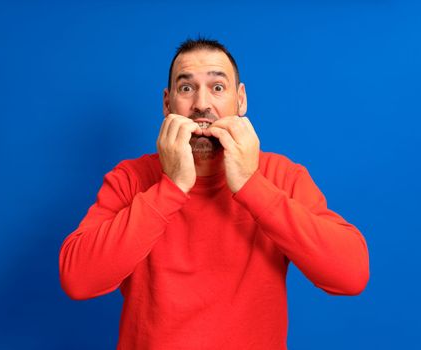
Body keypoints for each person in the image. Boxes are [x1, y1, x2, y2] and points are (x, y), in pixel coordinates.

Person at [59, 37, 370, 349]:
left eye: (217, 88)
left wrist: (252, 186)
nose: (201, 105)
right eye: (186, 88)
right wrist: (171, 188)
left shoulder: (282, 176)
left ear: (241, 99)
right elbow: (78, 279)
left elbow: (351, 274)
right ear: (167, 104)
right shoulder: (131, 178)